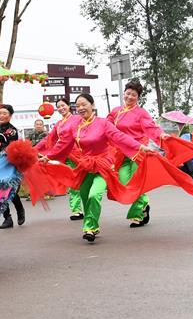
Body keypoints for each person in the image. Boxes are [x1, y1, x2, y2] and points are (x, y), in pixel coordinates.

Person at [39, 93, 154, 242]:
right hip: (85, 165)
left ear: (92, 105)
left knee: (94, 195)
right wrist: (48, 156)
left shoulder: (103, 123)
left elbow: (119, 136)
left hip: (103, 165)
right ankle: (91, 227)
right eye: (78, 106)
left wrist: (140, 147)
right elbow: (63, 143)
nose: (80, 108)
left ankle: (90, 226)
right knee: (85, 196)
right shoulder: (75, 126)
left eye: (84, 104)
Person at [108, 80, 166, 228]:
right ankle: (144, 203)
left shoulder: (141, 113)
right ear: (124, 94)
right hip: (120, 152)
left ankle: (138, 214)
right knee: (123, 181)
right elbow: (105, 126)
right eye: (128, 93)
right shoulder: (116, 111)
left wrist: (161, 136)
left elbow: (151, 128)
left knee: (136, 183)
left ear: (138, 97)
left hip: (138, 151)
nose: (130, 97)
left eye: (133, 95)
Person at [34, 98, 83, 220]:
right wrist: (34, 149)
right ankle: (76, 210)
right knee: (72, 181)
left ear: (69, 106)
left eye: (63, 106)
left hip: (78, 155)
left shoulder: (77, 119)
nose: (61, 108)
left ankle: (82, 208)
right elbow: (49, 139)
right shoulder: (59, 124)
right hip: (64, 156)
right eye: (59, 107)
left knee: (82, 181)